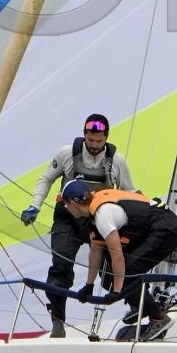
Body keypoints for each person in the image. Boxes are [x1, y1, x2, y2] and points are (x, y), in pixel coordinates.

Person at [19, 113, 134, 338]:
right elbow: (46, 178)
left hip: (98, 218)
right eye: (90, 140)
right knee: (60, 266)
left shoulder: (117, 161)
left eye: (99, 141)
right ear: (84, 135)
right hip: (67, 218)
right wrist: (35, 206)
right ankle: (58, 320)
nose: (94, 145)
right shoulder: (67, 153)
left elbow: (129, 192)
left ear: (106, 137)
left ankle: (136, 306)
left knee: (117, 266)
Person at [60, 179, 177, 340]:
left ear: (72, 204)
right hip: (150, 226)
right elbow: (96, 251)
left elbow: (117, 255)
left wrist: (117, 292)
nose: (66, 208)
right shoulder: (92, 212)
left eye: (65, 205)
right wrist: (89, 285)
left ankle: (158, 318)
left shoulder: (102, 215)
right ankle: (139, 303)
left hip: (166, 228)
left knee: (128, 273)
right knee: (110, 277)